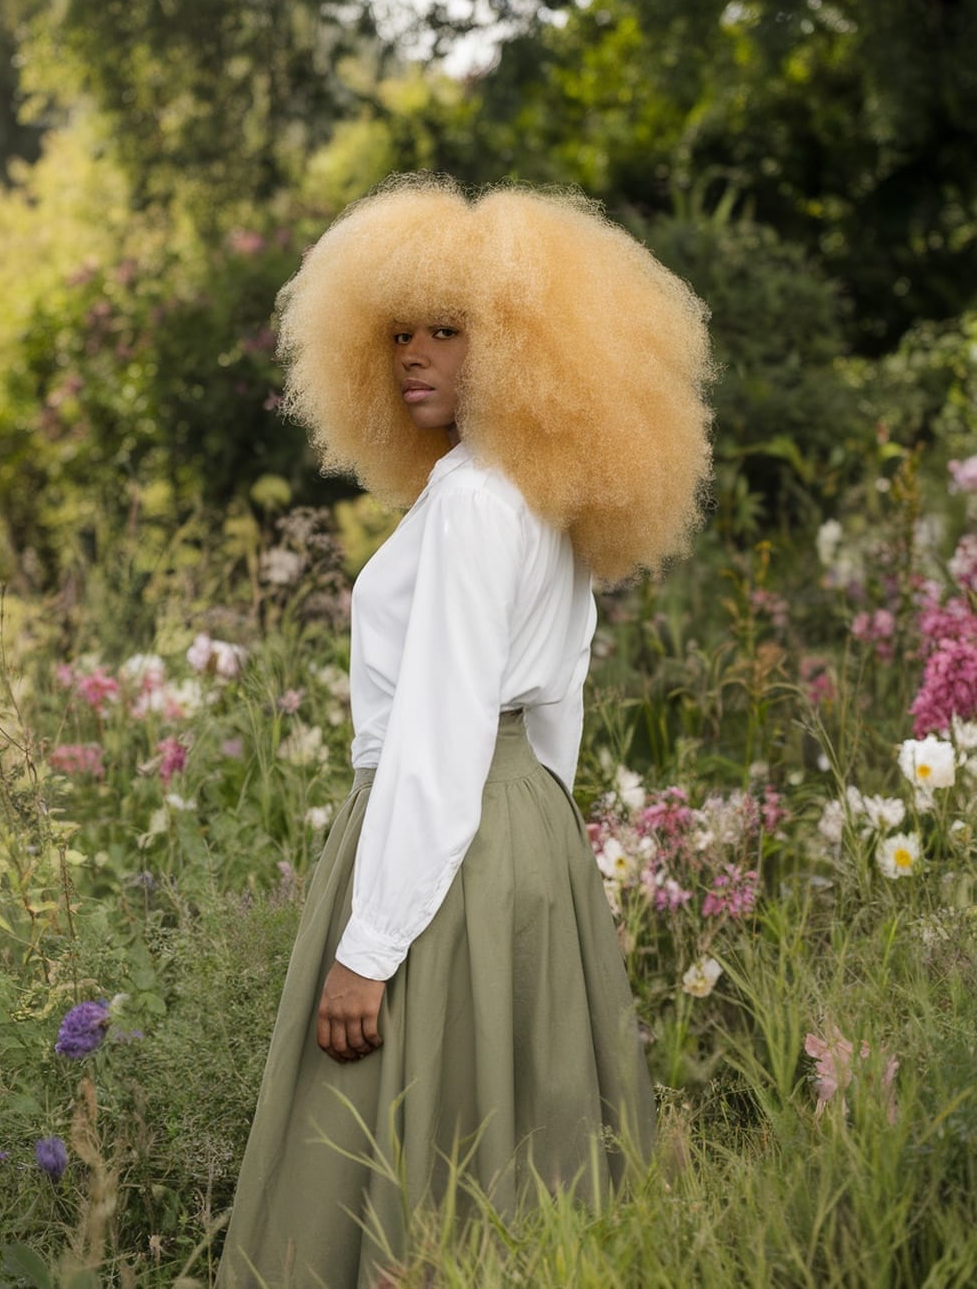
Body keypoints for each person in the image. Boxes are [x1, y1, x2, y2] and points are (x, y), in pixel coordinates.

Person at [215, 175, 714, 1288]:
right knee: (518, 1143)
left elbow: (440, 733)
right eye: (399, 332)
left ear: (527, 345)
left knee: (384, 1145)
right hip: (524, 829)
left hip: (442, 840)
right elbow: (557, 701)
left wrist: (368, 948)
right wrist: (537, 840)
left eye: (450, 330)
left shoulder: (477, 504)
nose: (413, 356)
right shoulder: (537, 496)